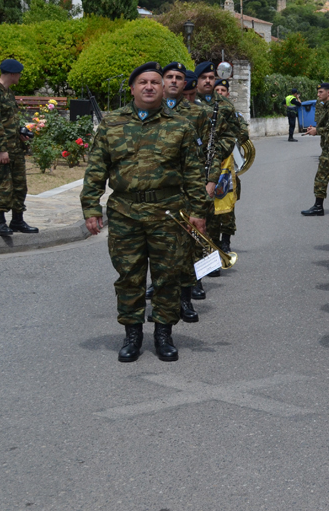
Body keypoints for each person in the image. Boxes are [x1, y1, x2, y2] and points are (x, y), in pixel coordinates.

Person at [81, 62, 207, 363]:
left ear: (163, 88)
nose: (149, 87)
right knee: (129, 276)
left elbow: (193, 173)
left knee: (168, 276)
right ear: (132, 88)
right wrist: (91, 207)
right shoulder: (112, 124)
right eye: (142, 82)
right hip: (125, 213)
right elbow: (96, 169)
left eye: (154, 82)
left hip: (168, 213)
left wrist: (198, 211)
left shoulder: (180, 126)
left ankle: (163, 333)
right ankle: (132, 335)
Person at [160, 61, 216, 321]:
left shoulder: (197, 113)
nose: (173, 81)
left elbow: (210, 151)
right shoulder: (150, 109)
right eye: (169, 76)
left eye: (178, 77)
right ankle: (161, 295)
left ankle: (186, 297)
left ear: (185, 84)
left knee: (187, 244)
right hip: (158, 191)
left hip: (187, 189)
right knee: (158, 247)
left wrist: (210, 181)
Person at [0, 59, 38, 237]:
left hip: (15, 147)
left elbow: (8, 120)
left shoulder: (8, 92)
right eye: (19, 74)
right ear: (12, 74)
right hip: (1, 149)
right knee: (3, 185)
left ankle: (17, 221)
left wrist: (20, 132)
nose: (20, 77)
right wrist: (2, 149)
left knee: (20, 185)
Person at [206, 79, 249, 262]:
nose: (220, 92)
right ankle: (211, 244)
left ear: (228, 93)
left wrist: (228, 135)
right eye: (217, 89)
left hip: (227, 165)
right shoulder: (205, 110)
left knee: (227, 206)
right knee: (210, 208)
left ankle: (226, 241)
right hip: (209, 164)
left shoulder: (232, 113)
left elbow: (243, 133)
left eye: (223, 90)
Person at [302, 82, 329, 217]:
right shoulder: (326, 106)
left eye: (321, 92)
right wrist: (316, 129)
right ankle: (318, 206)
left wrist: (317, 131)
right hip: (327, 149)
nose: (318, 94)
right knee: (320, 179)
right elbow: (326, 126)